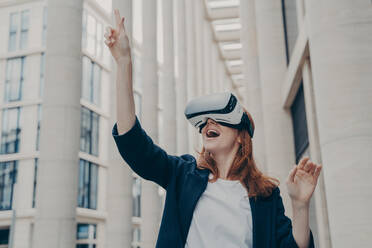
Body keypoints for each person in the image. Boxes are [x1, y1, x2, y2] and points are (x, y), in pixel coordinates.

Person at [105, 9, 321, 248]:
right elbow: (133, 144)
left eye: (218, 119)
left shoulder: (266, 195)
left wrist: (301, 207)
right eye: (205, 121)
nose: (208, 123)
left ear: (241, 136)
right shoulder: (183, 174)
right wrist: (124, 62)